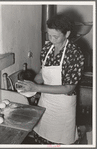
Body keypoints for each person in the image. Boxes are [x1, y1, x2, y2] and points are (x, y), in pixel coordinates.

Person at [16, 14, 84, 145]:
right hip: (46, 101)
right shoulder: (47, 48)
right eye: (49, 35)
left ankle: (82, 129)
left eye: (56, 36)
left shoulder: (74, 53)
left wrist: (37, 88)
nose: (51, 39)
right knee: (41, 135)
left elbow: (69, 87)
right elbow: (43, 72)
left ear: (67, 34)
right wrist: (31, 85)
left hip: (63, 106)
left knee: (60, 140)